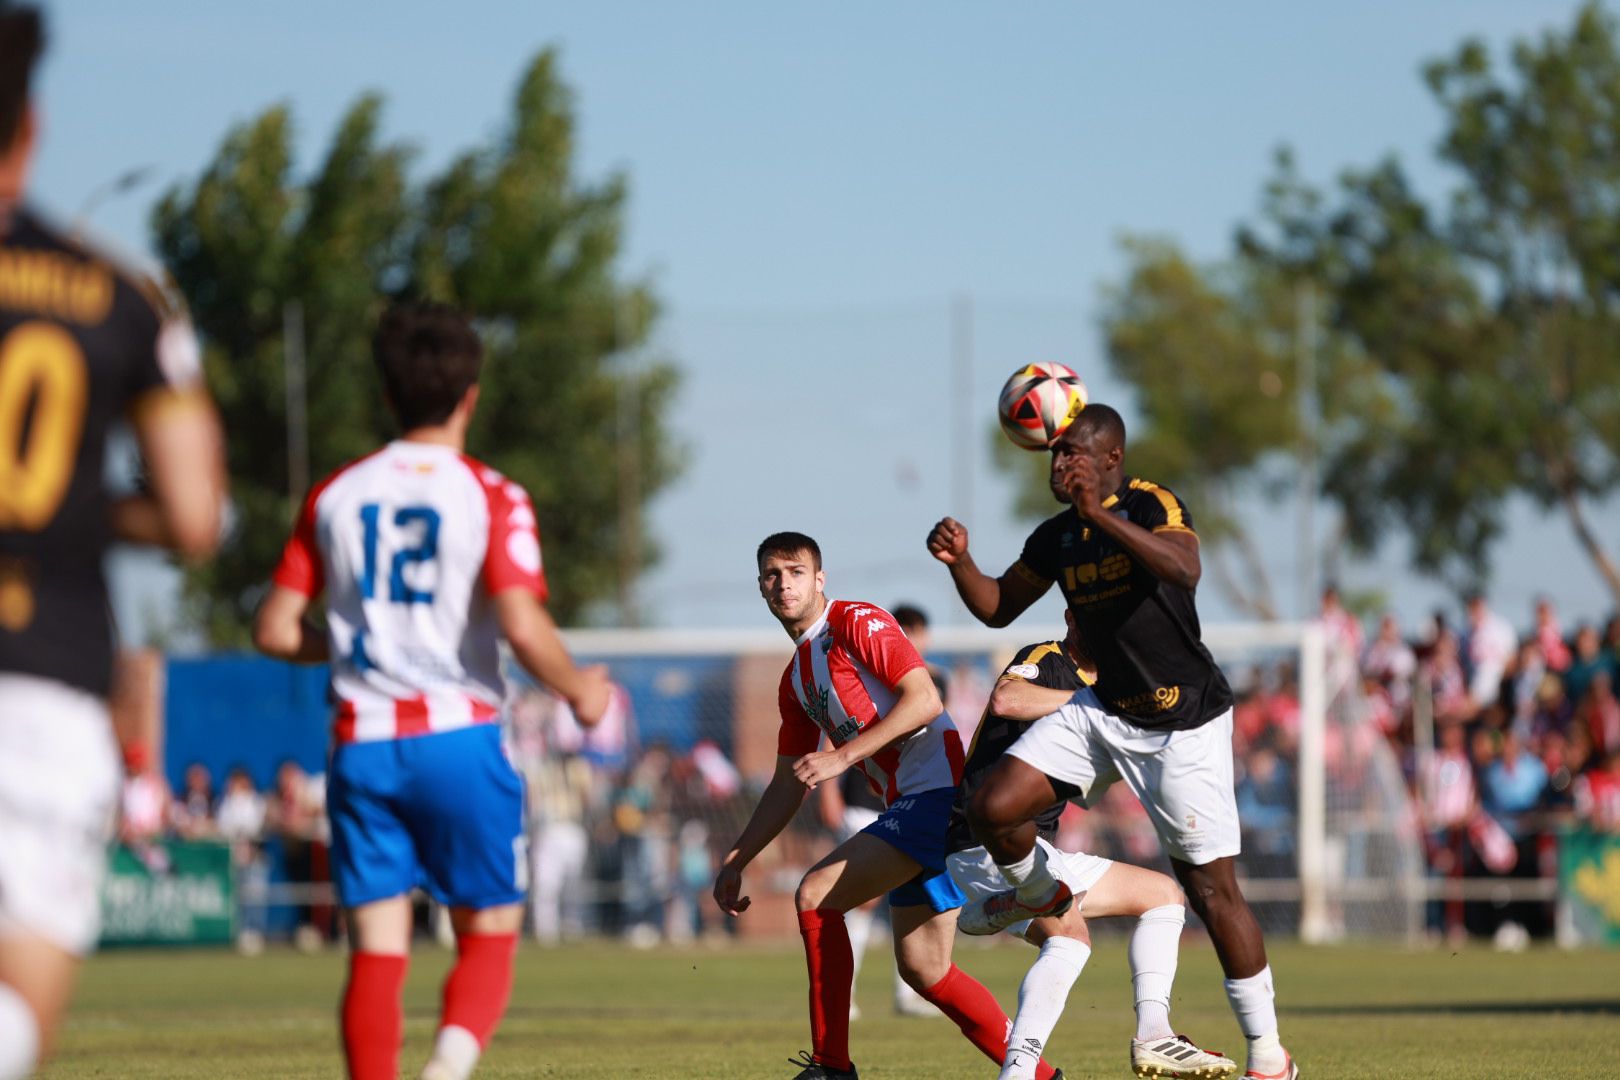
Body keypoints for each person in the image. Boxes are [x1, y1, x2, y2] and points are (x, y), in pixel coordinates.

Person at [253, 302, 610, 1080]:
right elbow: (521, 624)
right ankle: (446, 1067)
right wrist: (582, 689)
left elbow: (275, 629)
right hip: (458, 737)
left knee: (375, 953)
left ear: (386, 395)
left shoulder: (336, 495)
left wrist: (348, 642)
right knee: (490, 928)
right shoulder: (491, 494)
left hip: (362, 744)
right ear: (471, 394)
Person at [927, 403, 1298, 1080]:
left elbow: (1185, 570)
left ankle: (1269, 1057)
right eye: (1053, 454)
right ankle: (1041, 894)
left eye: (1072, 453)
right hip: (1101, 712)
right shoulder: (1055, 537)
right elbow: (997, 605)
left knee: (1210, 892)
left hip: (1183, 722)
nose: (1059, 463)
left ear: (1110, 460)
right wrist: (961, 562)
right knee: (993, 806)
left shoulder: (1151, 503)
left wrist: (1098, 515)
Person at [0, 6, 226, 1075]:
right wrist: (76, 506)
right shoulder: (119, 291)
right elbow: (194, 515)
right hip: (43, 680)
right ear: (30, 129)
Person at [714, 532, 1063, 1080]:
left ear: (819, 579)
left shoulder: (855, 620)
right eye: (771, 575)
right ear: (760, 587)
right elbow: (786, 782)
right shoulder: (796, 678)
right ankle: (1043, 1077)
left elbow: (925, 699)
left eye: (795, 571)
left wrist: (840, 758)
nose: (784, 584)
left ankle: (832, 1067)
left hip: (940, 794)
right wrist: (736, 859)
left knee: (816, 893)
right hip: (913, 805)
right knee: (925, 969)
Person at [944, 608, 1234, 1080]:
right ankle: (1018, 1071)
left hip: (1036, 851)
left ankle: (1155, 1033)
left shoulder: (1113, 691)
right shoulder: (1050, 661)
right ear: (1071, 620)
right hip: (984, 843)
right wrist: (1088, 706)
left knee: (1162, 896)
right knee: (1071, 939)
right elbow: (1005, 698)